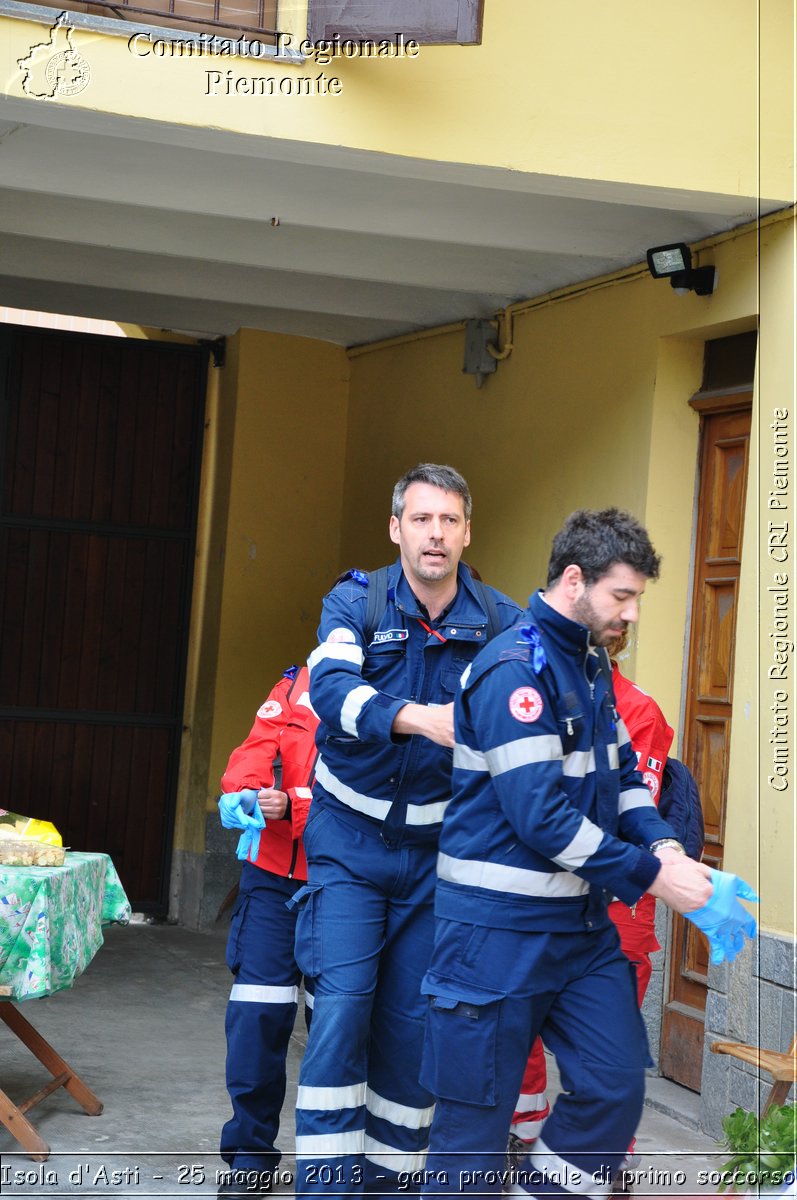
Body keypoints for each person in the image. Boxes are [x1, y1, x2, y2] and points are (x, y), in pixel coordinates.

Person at [418, 507, 757, 1198]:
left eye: (634, 597)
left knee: (610, 1090)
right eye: (620, 596)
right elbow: (540, 817)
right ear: (574, 579)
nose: (629, 612)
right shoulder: (514, 668)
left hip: (577, 934)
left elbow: (624, 780)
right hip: (492, 939)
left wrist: (667, 847)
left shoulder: (589, 662)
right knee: (471, 1138)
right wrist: (655, 878)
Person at [291, 463, 521, 1199]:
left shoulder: (499, 621)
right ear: (396, 529)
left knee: (413, 1029)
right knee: (342, 1009)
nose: (435, 534)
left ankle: (388, 1187)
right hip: (348, 846)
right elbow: (329, 692)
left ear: (466, 533)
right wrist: (420, 719)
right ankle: (324, 1189)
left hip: (437, 861)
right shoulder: (353, 600)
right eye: (421, 520)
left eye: (449, 521)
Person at [508, 630, 675, 1164]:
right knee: (517, 1032)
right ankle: (524, 1131)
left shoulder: (639, 709)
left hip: (615, 909)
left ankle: (606, 1159)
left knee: (609, 1060)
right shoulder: (530, 692)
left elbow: (628, 809)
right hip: (537, 901)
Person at [216, 663, 318, 1197]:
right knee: (257, 1016)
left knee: (338, 1030)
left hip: (344, 883)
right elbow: (259, 746)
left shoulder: (392, 687)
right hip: (271, 877)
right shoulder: (294, 681)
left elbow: (382, 791)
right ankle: (249, 1157)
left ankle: (331, 1160)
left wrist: (295, 806)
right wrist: (247, 791)